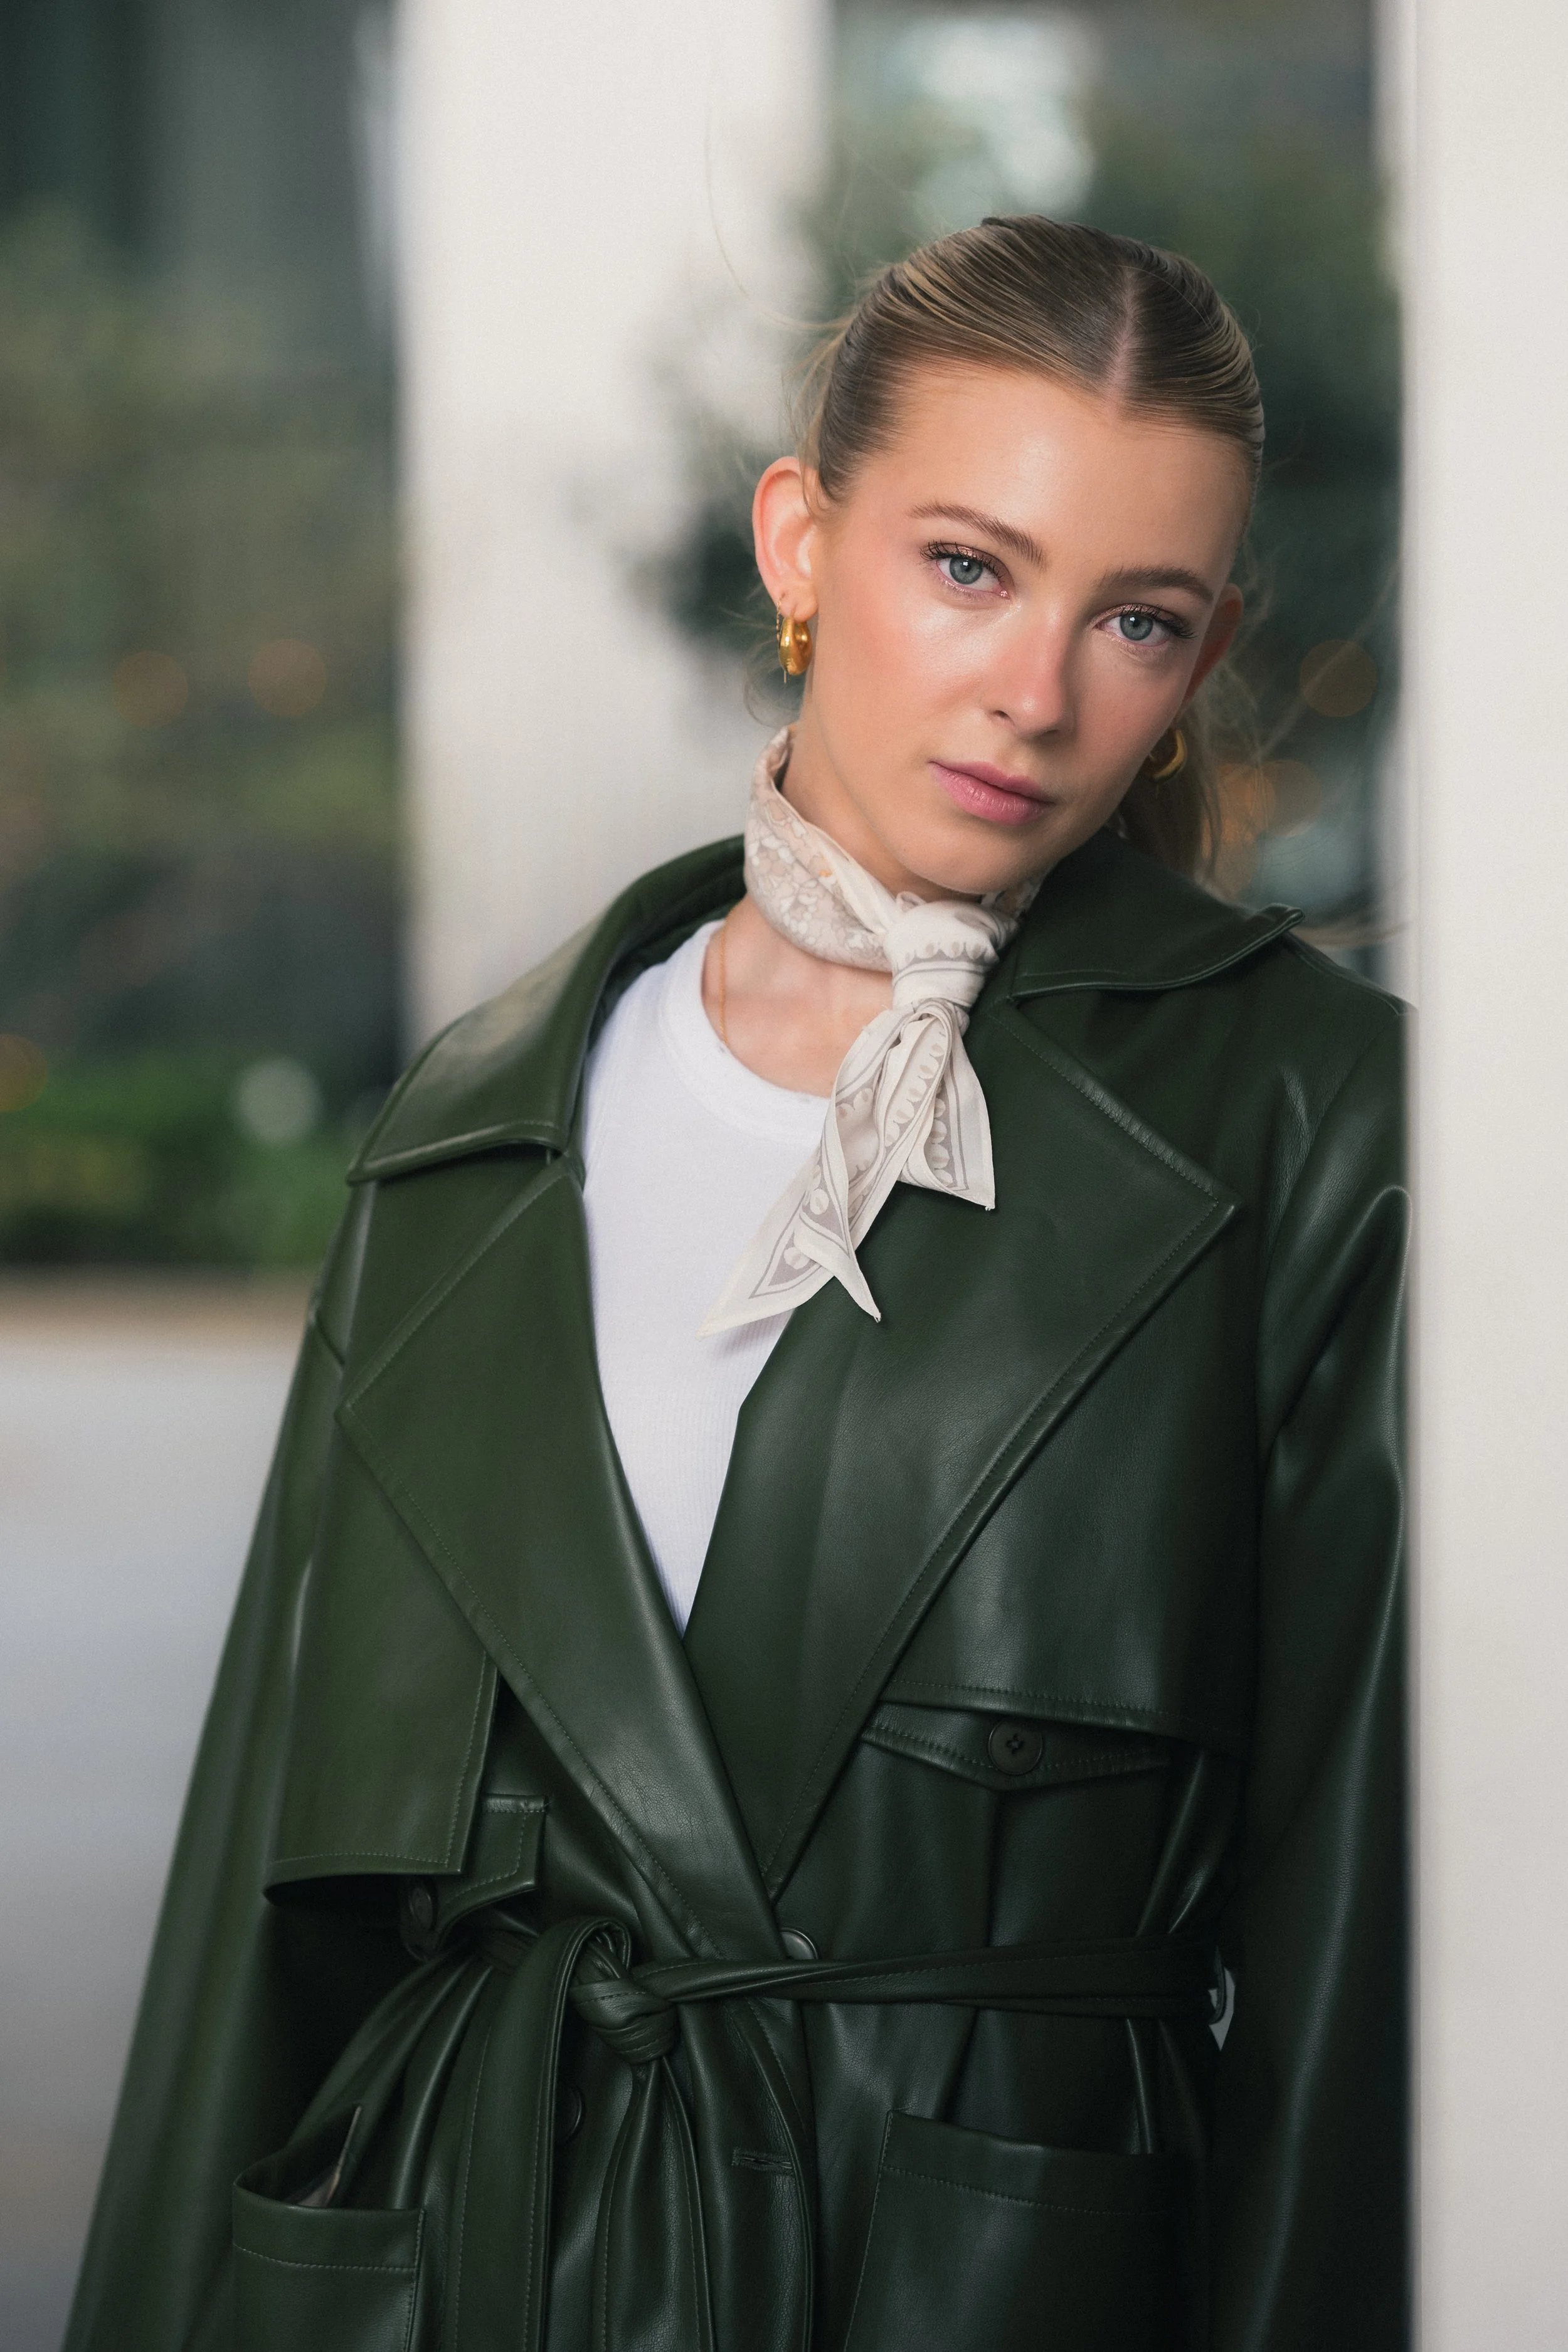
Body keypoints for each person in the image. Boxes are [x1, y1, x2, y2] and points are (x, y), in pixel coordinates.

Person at [65, 217, 1406, 2352]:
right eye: (965, 566)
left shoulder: (1313, 1120)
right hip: (450, 2262)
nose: (1036, 691)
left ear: (1204, 646)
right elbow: (267, 1924)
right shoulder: (473, 1125)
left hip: (972, 2282)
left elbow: (1365, 1964)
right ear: (801, 541)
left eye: (1134, 617)